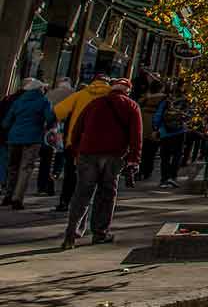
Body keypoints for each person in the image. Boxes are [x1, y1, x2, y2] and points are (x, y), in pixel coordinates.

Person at [61, 78, 141, 249]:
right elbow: (136, 136)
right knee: (107, 194)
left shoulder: (95, 103)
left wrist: (75, 150)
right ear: (128, 90)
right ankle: (100, 232)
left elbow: (77, 128)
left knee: (82, 193)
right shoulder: (132, 106)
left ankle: (71, 234)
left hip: (88, 152)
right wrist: (134, 159)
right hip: (114, 155)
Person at [53, 74, 117, 213]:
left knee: (70, 173)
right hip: (101, 145)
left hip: (74, 141)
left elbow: (58, 111)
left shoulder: (81, 94)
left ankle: (64, 201)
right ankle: (86, 207)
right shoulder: (112, 98)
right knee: (96, 179)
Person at [2, 79, 55, 208]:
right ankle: (17, 198)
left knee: (12, 167)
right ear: (39, 89)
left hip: (14, 137)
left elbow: (6, 122)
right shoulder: (44, 101)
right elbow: (50, 119)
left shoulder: (18, 101)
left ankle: (8, 196)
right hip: (33, 138)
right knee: (25, 168)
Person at [153, 88, 190, 188]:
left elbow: (158, 115)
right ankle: (173, 178)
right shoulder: (186, 102)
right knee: (177, 156)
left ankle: (164, 179)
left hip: (165, 133)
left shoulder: (166, 101)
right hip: (180, 132)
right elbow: (189, 116)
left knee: (165, 157)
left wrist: (156, 127)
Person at [137, 77, 166, 183]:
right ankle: (148, 171)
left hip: (143, 126)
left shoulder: (144, 99)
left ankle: (139, 171)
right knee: (152, 152)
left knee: (142, 151)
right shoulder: (164, 99)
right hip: (156, 128)